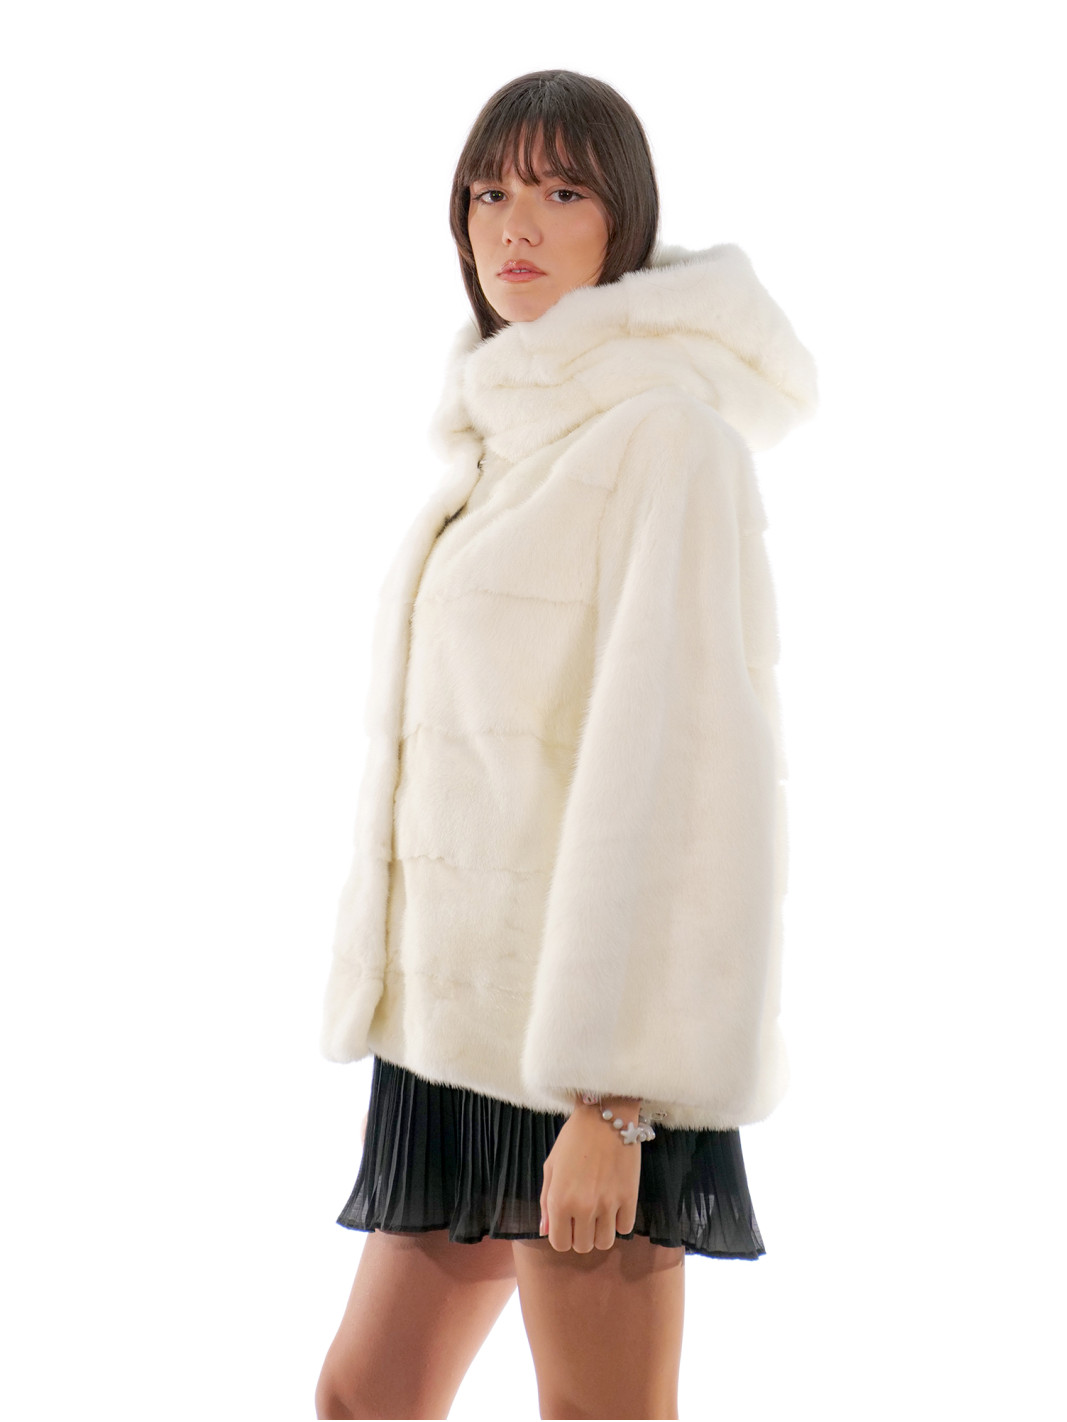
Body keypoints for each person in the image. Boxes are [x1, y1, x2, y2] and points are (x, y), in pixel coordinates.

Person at [315, 68, 817, 1421]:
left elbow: (685, 783)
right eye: (487, 192)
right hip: (458, 1042)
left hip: (590, 1058)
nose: (514, 224)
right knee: (364, 1398)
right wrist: (418, 1025)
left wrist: (614, 1098)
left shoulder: (667, 443)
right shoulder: (502, 444)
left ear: (624, 220)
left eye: (560, 190)